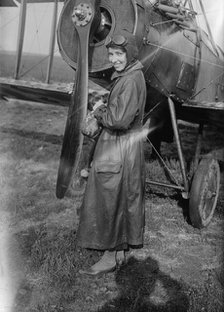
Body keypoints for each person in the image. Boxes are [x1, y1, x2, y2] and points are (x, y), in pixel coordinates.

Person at [77, 31, 147, 276]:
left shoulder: (129, 79)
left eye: (119, 54)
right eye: (111, 53)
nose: (114, 58)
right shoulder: (130, 74)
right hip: (125, 146)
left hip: (119, 146)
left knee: (110, 198)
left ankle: (109, 255)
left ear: (131, 54)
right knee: (123, 199)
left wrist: (98, 112)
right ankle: (119, 252)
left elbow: (118, 119)